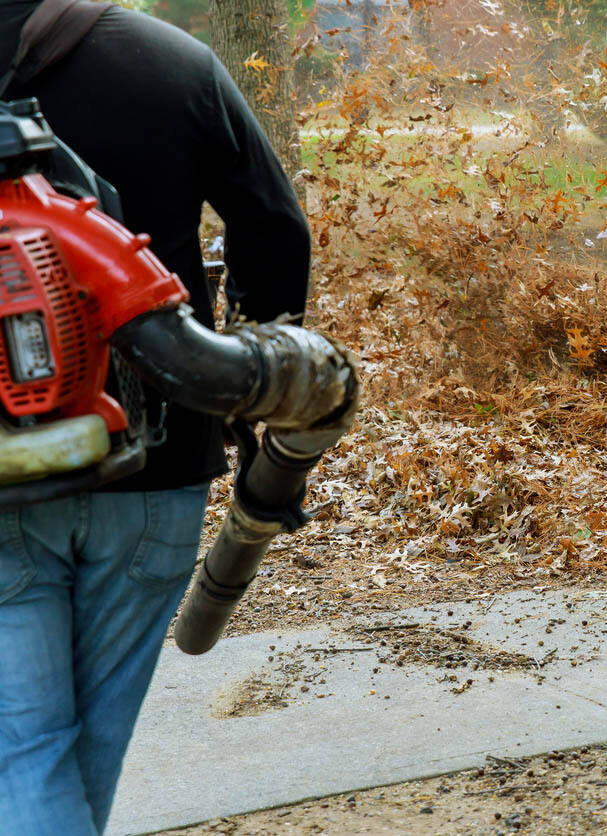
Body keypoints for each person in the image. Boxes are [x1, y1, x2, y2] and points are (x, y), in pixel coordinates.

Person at [0, 2, 311, 834]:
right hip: (160, 463)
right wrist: (254, 405)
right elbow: (276, 230)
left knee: (23, 756)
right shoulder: (166, 59)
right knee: (83, 755)